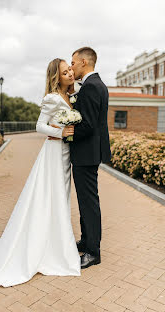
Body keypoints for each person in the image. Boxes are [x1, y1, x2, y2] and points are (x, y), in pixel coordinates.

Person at [0, 58, 81, 287]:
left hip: (66, 155)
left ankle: (56, 240)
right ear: (56, 77)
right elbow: (39, 126)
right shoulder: (52, 98)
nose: (70, 74)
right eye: (65, 72)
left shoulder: (71, 96)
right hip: (54, 153)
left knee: (61, 198)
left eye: (70, 70)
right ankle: (49, 248)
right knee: (49, 197)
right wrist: (62, 132)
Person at [49, 47, 111, 269]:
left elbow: (88, 125)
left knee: (89, 203)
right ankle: (86, 241)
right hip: (88, 153)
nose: (72, 67)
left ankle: (93, 252)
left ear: (84, 62)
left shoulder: (92, 87)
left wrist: (65, 133)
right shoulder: (95, 85)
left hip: (86, 153)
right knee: (86, 201)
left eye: (74, 63)